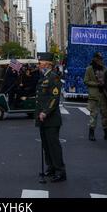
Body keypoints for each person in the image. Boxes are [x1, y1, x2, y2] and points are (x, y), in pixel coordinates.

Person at [35, 54, 66, 182]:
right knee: (46, 145)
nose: (38, 65)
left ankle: (60, 171)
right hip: (42, 118)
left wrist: (45, 112)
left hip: (51, 118)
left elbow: (54, 98)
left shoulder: (53, 77)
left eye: (40, 63)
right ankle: (51, 167)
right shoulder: (43, 77)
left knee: (53, 146)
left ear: (48, 65)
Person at [84, 53, 107, 142]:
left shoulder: (105, 69)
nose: (100, 60)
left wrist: (105, 84)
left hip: (104, 95)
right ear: (95, 59)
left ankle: (106, 134)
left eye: (101, 59)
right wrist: (97, 84)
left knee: (105, 115)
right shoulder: (89, 69)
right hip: (94, 95)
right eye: (98, 59)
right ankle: (91, 133)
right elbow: (86, 81)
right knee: (94, 115)